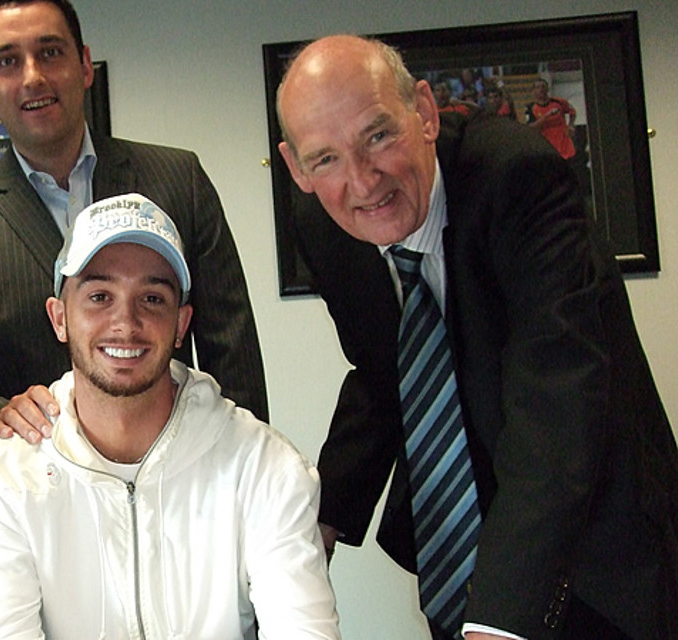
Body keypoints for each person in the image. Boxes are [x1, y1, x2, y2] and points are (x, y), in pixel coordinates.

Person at [275, 34, 678, 640]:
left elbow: (557, 404)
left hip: (600, 550)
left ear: (426, 113)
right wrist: (321, 523)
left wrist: (496, 620)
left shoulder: (518, 177)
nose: (362, 182)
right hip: (463, 550)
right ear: (296, 168)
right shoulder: (327, 228)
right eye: (325, 158)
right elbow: (387, 371)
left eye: (378, 135)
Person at [0, 193, 340, 639]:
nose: (126, 321)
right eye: (100, 295)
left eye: (153, 299)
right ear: (59, 317)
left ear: (181, 325)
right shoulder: (5, 474)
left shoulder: (264, 466)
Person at [0, 0, 268, 454]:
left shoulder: (179, 180)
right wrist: (2, 415)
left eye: (50, 53)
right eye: (7, 61)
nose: (32, 77)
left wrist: (243, 474)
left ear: (84, 65)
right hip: (41, 491)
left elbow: (233, 356)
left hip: (182, 478)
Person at [525, 78, 577, 160]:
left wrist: (571, 125)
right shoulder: (530, 108)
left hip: (564, 145)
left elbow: (572, 112)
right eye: (538, 87)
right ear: (533, 91)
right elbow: (531, 127)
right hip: (547, 147)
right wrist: (546, 116)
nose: (541, 89)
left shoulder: (559, 102)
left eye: (543, 86)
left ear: (547, 89)